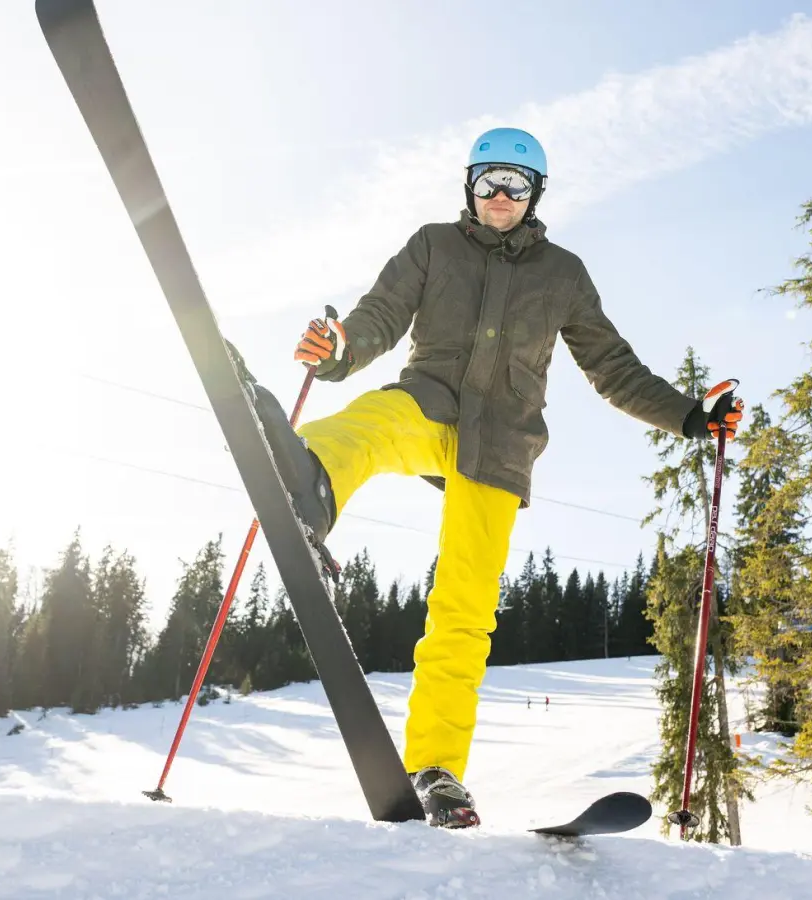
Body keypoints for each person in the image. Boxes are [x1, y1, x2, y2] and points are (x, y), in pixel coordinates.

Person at [256, 127, 742, 828]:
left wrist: (692, 417)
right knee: (374, 421)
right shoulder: (433, 245)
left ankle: (436, 768)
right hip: (430, 403)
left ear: (536, 193)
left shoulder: (565, 275)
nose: (501, 196)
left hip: (503, 446)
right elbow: (379, 317)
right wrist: (339, 349)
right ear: (469, 186)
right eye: (489, 182)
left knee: (464, 610)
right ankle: (311, 481)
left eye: (516, 184)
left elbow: (614, 370)